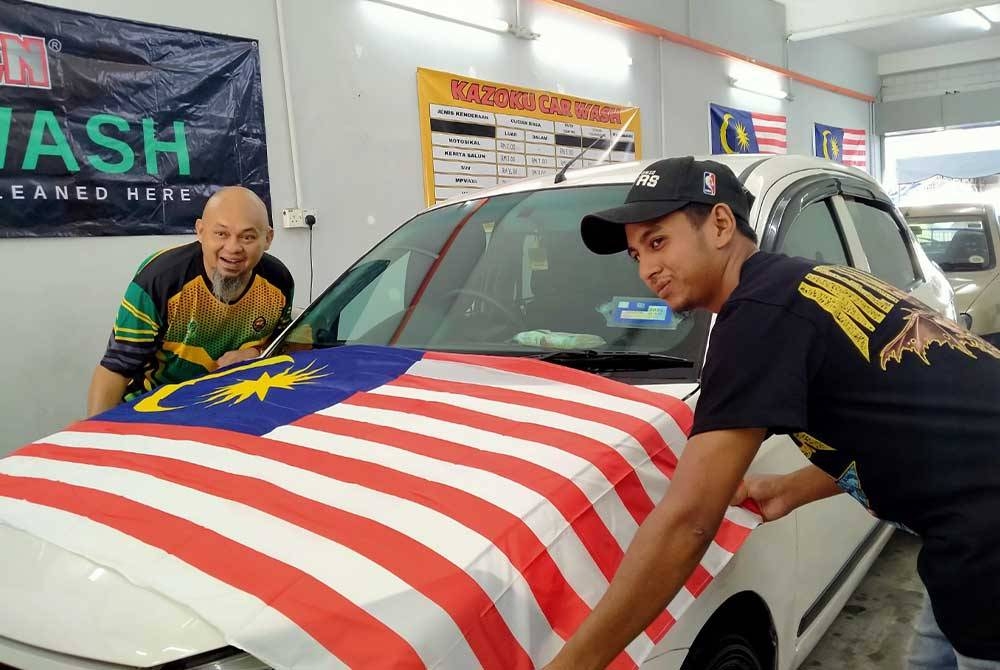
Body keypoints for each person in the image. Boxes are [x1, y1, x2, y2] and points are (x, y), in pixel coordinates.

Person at [543, 157, 1000, 670]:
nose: (647, 268)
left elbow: (689, 522)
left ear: (719, 225)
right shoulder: (797, 286)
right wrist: (787, 488)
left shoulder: (756, 318)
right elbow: (903, 427)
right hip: (966, 537)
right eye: (634, 255)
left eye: (657, 241)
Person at [86, 186, 294, 416]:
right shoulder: (158, 282)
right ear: (200, 231)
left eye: (248, 237)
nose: (233, 248)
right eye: (221, 234)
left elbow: (290, 345)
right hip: (156, 406)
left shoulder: (279, 282)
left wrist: (255, 353)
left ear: (268, 238)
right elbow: (116, 368)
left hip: (234, 405)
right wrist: (94, 433)